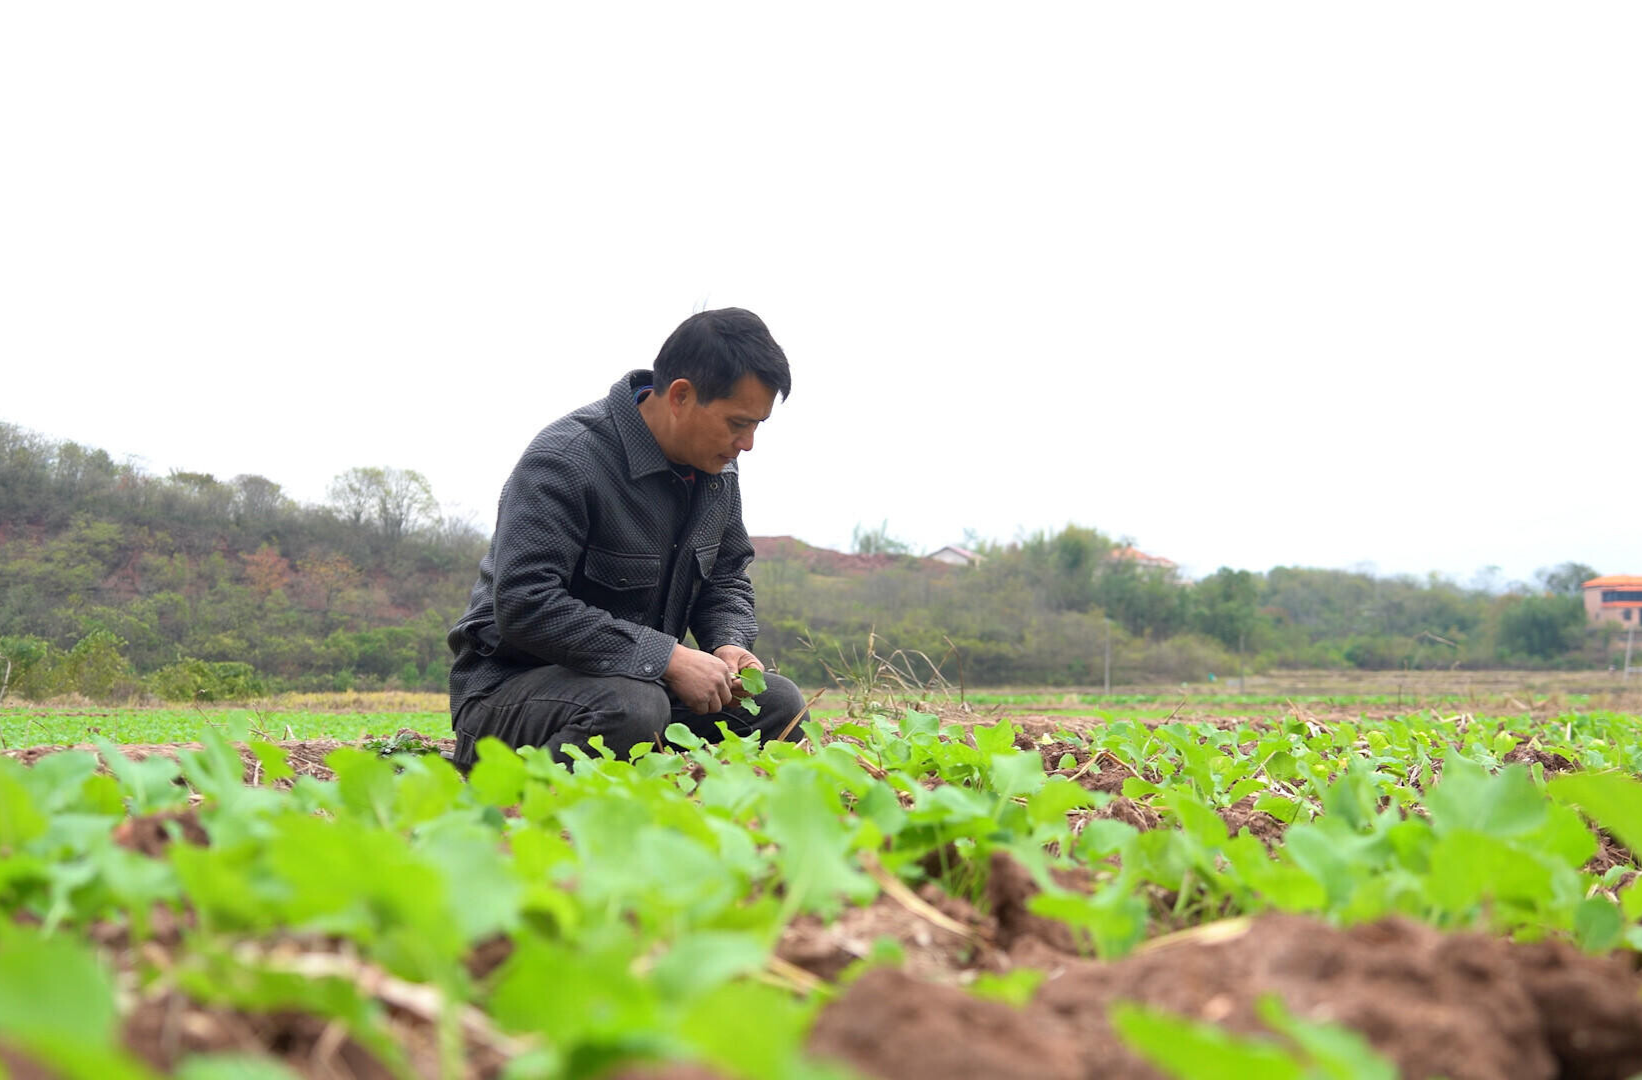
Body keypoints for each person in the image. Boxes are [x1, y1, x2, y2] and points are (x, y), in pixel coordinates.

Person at [445, 308, 807, 769]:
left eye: (757, 425)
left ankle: (653, 774)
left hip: (643, 686)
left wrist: (728, 644)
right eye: (738, 423)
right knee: (633, 708)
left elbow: (726, 578)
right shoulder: (565, 460)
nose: (748, 443)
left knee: (780, 704)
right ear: (680, 396)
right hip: (514, 694)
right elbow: (524, 604)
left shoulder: (718, 473)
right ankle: (522, 797)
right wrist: (669, 658)